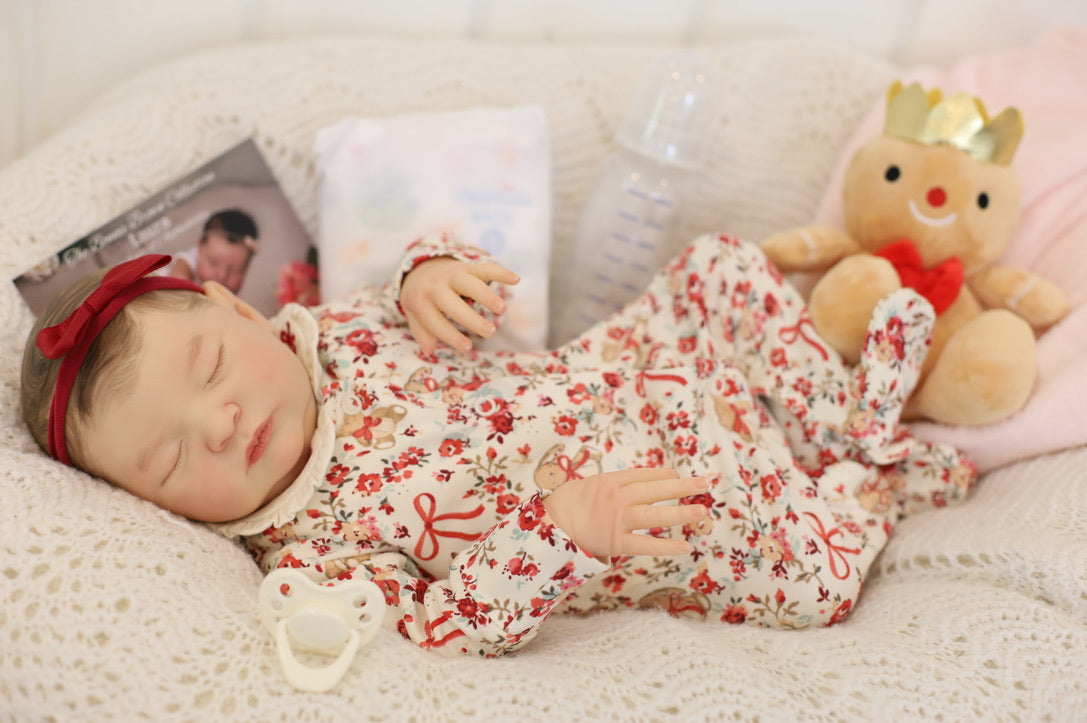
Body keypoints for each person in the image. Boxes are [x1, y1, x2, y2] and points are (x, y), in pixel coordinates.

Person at [21, 231, 974, 660]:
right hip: (648, 507)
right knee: (809, 576)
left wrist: (431, 273)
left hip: (623, 371)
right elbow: (447, 625)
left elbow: (421, 282)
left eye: (209, 368)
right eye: (173, 462)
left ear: (238, 310)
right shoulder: (313, 552)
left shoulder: (339, 329)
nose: (219, 422)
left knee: (715, 265)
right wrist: (563, 533)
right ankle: (860, 480)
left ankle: (841, 425)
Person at [170, 208, 260, 293]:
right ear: (200, 248)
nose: (222, 275)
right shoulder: (188, 263)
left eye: (236, 270)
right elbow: (179, 276)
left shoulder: (227, 293)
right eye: (214, 263)